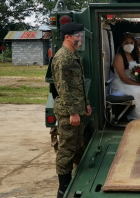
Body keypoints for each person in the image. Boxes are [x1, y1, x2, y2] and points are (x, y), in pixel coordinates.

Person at [51, 22, 92, 198]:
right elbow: (63, 88)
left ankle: (75, 183)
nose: (80, 38)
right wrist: (73, 112)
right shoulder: (63, 58)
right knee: (66, 150)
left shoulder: (73, 56)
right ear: (67, 37)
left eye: (81, 35)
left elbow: (78, 86)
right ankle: (63, 189)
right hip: (70, 112)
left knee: (77, 146)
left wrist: (86, 104)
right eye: (77, 35)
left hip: (78, 108)